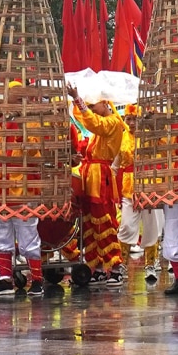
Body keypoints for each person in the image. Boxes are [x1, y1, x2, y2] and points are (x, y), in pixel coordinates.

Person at [73, 84, 134, 287]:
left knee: (104, 221)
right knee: (89, 222)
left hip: (100, 180)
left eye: (93, 103)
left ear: (105, 102)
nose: (90, 106)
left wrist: (77, 100)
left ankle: (115, 267)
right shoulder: (99, 127)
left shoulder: (114, 122)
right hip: (90, 177)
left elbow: (94, 124)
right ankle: (96, 266)